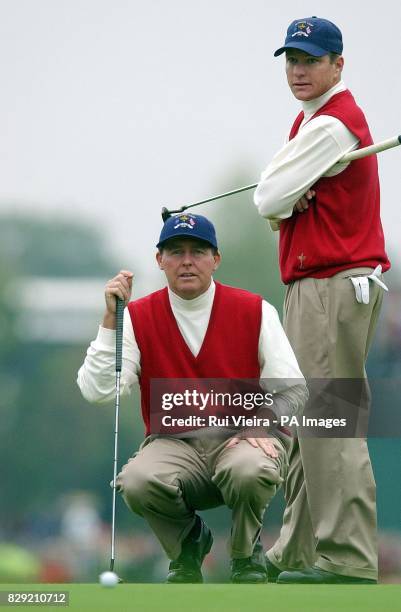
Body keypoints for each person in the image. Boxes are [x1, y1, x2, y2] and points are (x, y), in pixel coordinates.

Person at [77, 212, 307, 583]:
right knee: (136, 480)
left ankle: (246, 554)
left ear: (215, 259)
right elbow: (97, 391)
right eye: (175, 251)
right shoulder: (136, 316)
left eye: (198, 251)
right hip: (174, 444)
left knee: (249, 469)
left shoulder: (254, 310)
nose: (187, 260)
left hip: (241, 440)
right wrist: (110, 320)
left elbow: (294, 388)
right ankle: (189, 544)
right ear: (159, 260)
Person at [253, 16, 390, 584]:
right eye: (292, 60)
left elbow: (266, 197)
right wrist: (287, 195)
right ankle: (298, 551)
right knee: (310, 420)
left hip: (333, 287)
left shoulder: (334, 125)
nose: (299, 71)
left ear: (338, 65)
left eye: (310, 60)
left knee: (330, 421)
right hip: (319, 287)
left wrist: (287, 195)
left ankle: (348, 557)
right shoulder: (311, 122)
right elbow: (279, 198)